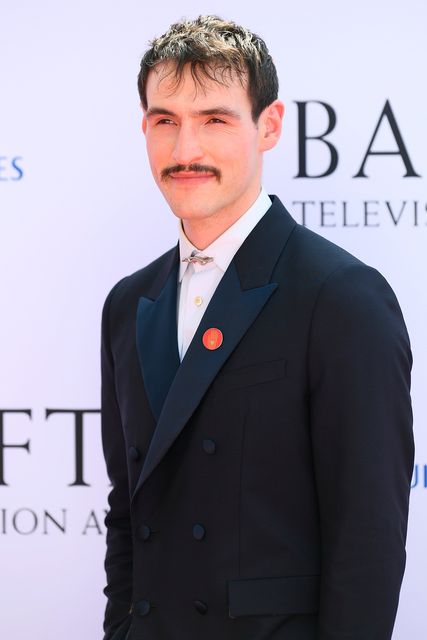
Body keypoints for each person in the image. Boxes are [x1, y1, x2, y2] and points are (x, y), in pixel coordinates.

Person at [100, 15, 414, 640]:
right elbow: (127, 515)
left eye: (214, 119)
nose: (185, 150)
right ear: (145, 130)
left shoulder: (342, 298)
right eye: (166, 120)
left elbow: (368, 542)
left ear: (268, 126)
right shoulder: (128, 302)